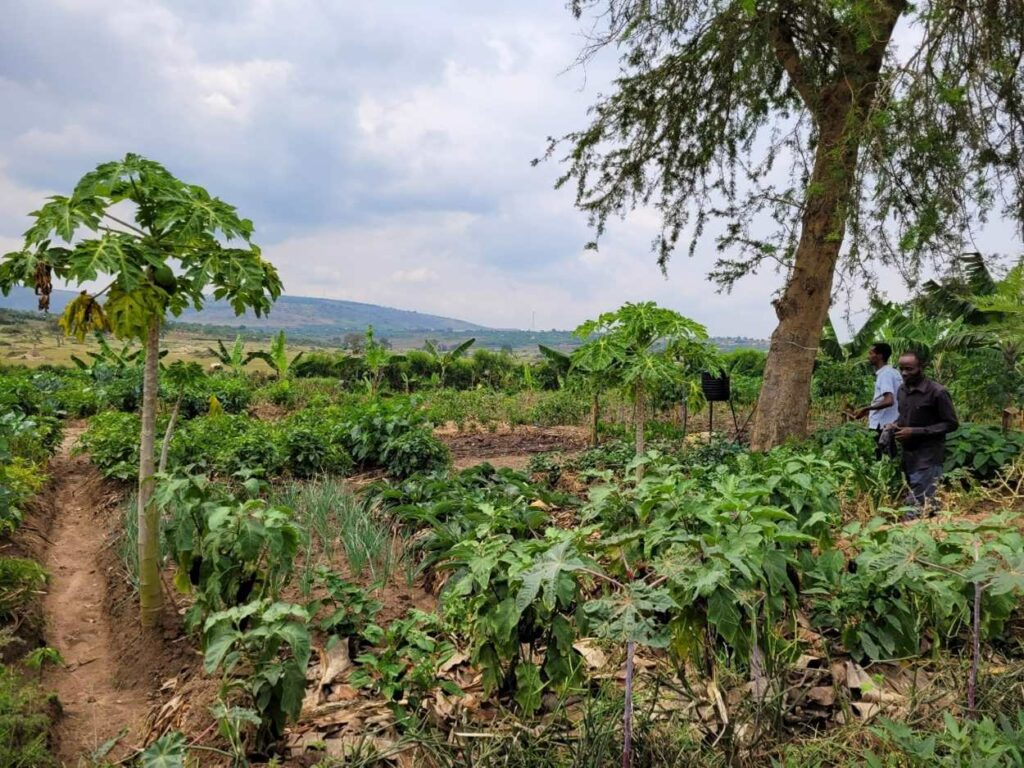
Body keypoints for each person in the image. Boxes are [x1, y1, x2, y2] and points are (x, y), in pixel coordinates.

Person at [885, 350, 959, 516]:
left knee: (917, 508)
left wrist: (916, 432)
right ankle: (935, 534)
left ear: (921, 367)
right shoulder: (902, 390)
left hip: (928, 457)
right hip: (909, 457)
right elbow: (904, 418)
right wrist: (894, 426)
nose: (904, 373)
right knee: (927, 504)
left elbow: (951, 424)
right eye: (902, 368)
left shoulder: (937, 392)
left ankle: (911, 537)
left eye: (909, 369)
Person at [854, 342, 902, 458]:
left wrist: (867, 408)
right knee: (889, 460)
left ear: (879, 356)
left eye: (871, 353)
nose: (868, 356)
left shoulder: (885, 374)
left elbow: (889, 400)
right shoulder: (894, 372)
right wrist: (869, 410)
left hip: (882, 426)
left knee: (880, 460)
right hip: (892, 423)